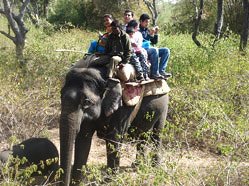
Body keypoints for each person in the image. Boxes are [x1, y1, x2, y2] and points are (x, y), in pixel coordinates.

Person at [139, 13, 171, 79]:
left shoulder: (147, 30)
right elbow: (141, 41)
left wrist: (155, 33)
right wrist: (149, 35)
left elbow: (154, 42)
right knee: (154, 49)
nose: (147, 23)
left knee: (166, 50)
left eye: (148, 22)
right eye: (146, 22)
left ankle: (161, 71)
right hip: (143, 50)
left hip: (150, 49)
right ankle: (154, 73)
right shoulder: (137, 30)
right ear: (141, 21)